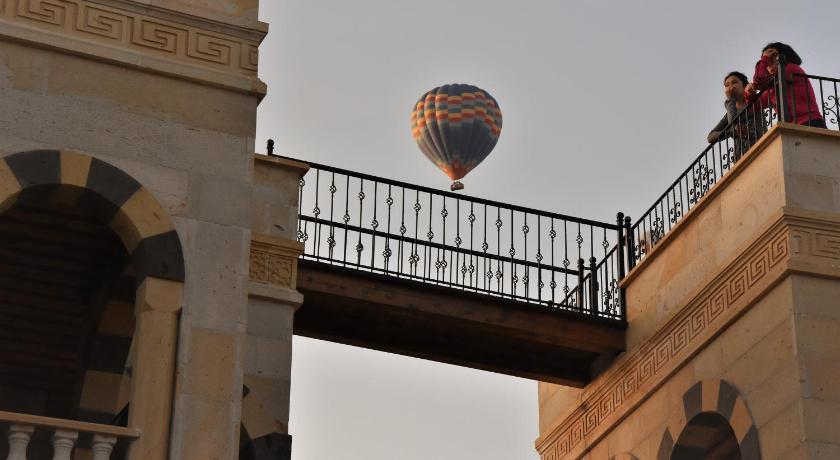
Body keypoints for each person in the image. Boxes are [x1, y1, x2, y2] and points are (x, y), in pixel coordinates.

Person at [745, 42, 826, 128]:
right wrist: (749, 94)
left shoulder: (791, 69)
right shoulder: (773, 86)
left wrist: (763, 60)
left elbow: (760, 80)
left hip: (810, 122)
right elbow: (753, 108)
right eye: (766, 61)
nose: (767, 64)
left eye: (770, 58)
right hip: (792, 127)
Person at [707, 71, 766, 161]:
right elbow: (711, 136)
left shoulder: (753, 102)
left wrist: (730, 100)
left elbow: (734, 122)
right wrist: (731, 132)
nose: (730, 87)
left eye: (734, 82)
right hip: (740, 159)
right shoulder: (729, 113)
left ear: (744, 85)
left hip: (759, 149)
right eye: (727, 85)